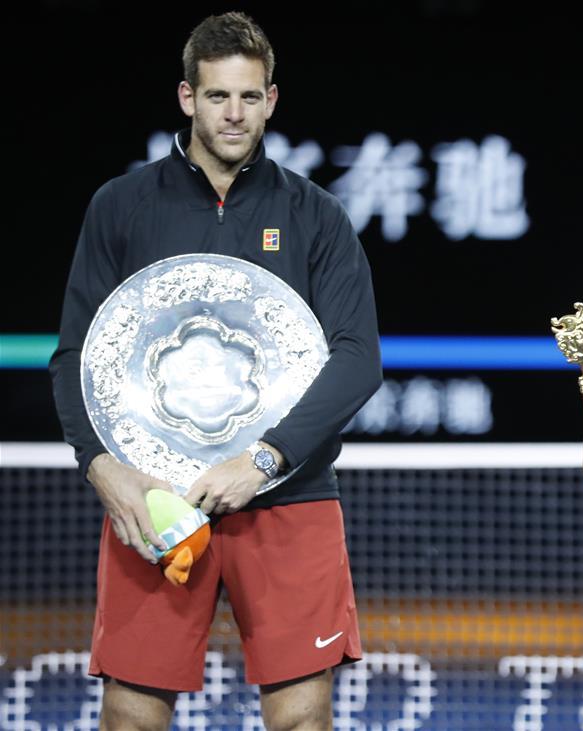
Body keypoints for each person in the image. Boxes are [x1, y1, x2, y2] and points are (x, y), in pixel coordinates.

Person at [49, 12, 382, 730]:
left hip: (288, 496)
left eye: (250, 97)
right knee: (132, 716)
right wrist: (102, 467)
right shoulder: (121, 207)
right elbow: (76, 355)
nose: (234, 114)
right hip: (156, 499)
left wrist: (263, 459)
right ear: (186, 97)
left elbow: (358, 357)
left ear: (272, 101)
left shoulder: (316, 215)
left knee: (301, 717)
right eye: (217, 96)